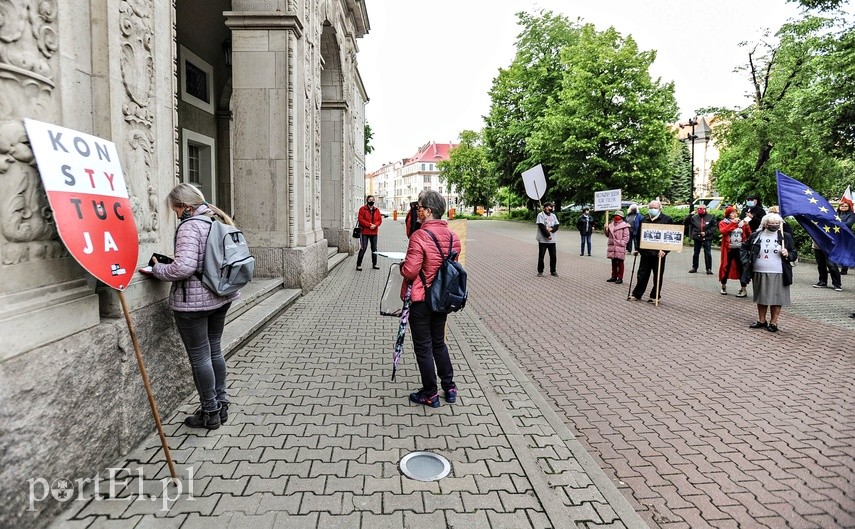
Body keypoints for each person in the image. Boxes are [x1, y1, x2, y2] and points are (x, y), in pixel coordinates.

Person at [149, 183, 240, 430]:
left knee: (200, 356)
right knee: (214, 351)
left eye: (176, 210)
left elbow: (184, 268)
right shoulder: (216, 221)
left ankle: (209, 412)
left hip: (194, 305)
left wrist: (157, 268)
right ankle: (221, 404)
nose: (176, 215)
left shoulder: (190, 227)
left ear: (186, 207)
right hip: (220, 297)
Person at [400, 190, 461, 408]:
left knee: (423, 347)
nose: (418, 211)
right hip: (442, 298)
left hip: (422, 299)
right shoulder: (454, 236)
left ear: (429, 210)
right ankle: (450, 387)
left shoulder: (419, 236)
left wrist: (401, 266)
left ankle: (430, 394)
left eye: (419, 207)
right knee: (439, 343)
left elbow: (410, 270)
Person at [742, 213, 797, 332]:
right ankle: (762, 320)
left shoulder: (785, 236)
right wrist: (746, 261)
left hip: (779, 272)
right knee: (761, 297)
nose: (774, 225)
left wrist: (788, 254)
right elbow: (744, 247)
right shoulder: (756, 235)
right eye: (771, 223)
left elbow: (794, 253)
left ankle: (773, 322)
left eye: (777, 223)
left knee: (777, 298)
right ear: (765, 223)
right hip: (759, 271)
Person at [630, 200, 673, 303]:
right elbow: (638, 235)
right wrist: (637, 248)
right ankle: (637, 294)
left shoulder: (667, 219)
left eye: (655, 207)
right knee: (642, 274)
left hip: (659, 254)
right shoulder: (644, 219)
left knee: (657, 275)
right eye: (651, 207)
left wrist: (665, 251)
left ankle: (655, 296)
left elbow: (671, 237)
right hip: (645, 253)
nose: (653, 209)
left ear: (660, 208)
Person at [718, 206, 751, 296]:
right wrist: (732, 224)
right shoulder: (723, 222)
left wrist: (747, 225)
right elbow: (723, 231)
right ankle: (723, 286)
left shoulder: (741, 223)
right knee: (726, 266)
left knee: (741, 268)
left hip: (740, 249)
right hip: (729, 249)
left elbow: (749, 234)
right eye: (732, 213)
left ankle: (743, 288)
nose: (734, 214)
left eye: (735, 212)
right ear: (728, 214)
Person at [688, 205, 718, 274]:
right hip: (697, 237)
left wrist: (706, 233)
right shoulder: (694, 217)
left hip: (707, 237)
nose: (700, 210)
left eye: (702, 208)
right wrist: (690, 215)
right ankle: (694, 267)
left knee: (708, 253)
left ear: (705, 209)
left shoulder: (711, 217)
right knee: (696, 253)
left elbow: (714, 227)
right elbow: (686, 222)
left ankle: (708, 269)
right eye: (698, 209)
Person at [356, 195, 383, 270]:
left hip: (374, 232)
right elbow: (360, 219)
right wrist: (369, 225)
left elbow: (379, 220)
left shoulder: (377, 210)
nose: (371, 201)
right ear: (367, 200)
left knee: (374, 249)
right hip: (365, 232)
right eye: (370, 200)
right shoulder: (362, 209)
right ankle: (358, 264)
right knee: (363, 248)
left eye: (373, 200)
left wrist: (375, 225)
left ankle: (374, 264)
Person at [605, 210, 630, 284]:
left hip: (620, 247)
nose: (616, 217)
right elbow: (607, 235)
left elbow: (626, 237)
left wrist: (621, 243)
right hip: (612, 246)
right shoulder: (611, 225)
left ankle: (620, 278)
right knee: (613, 262)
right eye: (615, 215)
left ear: (621, 217)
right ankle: (614, 276)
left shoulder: (624, 226)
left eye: (618, 216)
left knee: (620, 262)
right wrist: (605, 229)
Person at [535, 202, 560, 276]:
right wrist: (547, 235)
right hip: (543, 240)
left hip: (552, 240)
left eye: (551, 207)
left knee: (553, 256)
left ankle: (553, 271)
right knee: (541, 256)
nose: (550, 208)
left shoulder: (553, 215)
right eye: (548, 207)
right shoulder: (540, 215)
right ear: (545, 207)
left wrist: (552, 229)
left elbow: (557, 225)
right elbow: (541, 226)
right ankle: (540, 271)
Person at [836, 201, 854, 274]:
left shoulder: (852, 215)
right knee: (837, 251)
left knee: (845, 251)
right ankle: (834, 268)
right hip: (837, 234)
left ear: (849, 207)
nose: (843, 207)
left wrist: (837, 223)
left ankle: (844, 269)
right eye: (842, 206)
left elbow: (848, 223)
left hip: (847, 235)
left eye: (845, 206)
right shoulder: (837, 213)